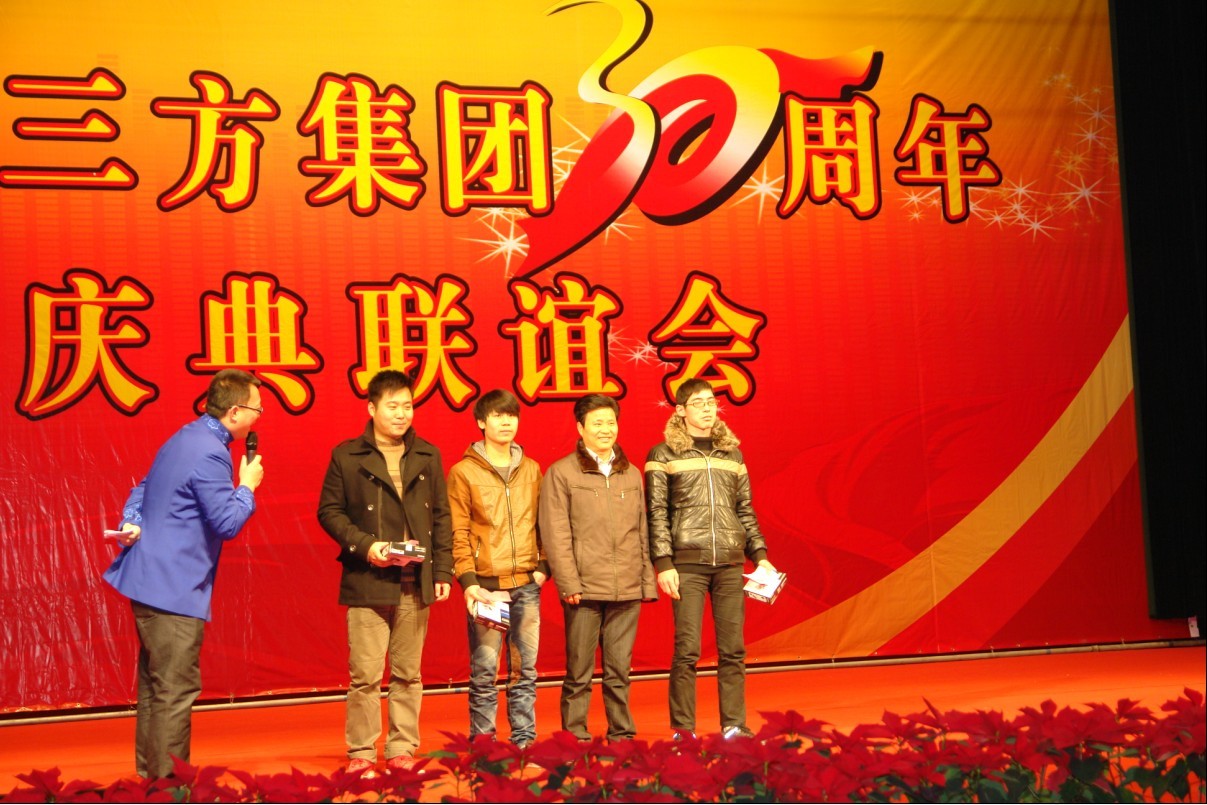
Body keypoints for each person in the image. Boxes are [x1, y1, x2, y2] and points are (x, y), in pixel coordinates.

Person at [103, 369, 266, 779]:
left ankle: (151, 783)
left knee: (156, 690)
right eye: (257, 409)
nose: (258, 416)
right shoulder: (211, 453)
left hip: (147, 581)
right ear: (234, 412)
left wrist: (132, 519)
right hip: (172, 588)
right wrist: (247, 486)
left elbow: (142, 489)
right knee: (175, 691)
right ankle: (170, 788)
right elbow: (227, 522)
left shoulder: (184, 436)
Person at [317, 369, 453, 778]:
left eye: (407, 406)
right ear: (372, 408)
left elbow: (442, 516)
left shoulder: (428, 454)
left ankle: (401, 748)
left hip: (416, 580)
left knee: (409, 674)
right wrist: (365, 545)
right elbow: (329, 512)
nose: (401, 414)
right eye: (392, 406)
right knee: (365, 675)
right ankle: (361, 751)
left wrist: (443, 569)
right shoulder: (347, 455)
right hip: (369, 579)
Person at [644, 378, 775, 740]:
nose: (707, 408)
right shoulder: (663, 454)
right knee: (687, 650)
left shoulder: (732, 455)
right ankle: (683, 729)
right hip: (686, 564)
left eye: (711, 401)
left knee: (733, 649)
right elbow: (656, 512)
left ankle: (734, 724)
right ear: (680, 411)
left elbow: (744, 509)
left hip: (730, 563)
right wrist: (663, 563)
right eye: (698, 402)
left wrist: (760, 556)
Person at [540, 394, 656, 742]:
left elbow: (642, 530)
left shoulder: (631, 474)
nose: (606, 429)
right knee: (579, 670)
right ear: (580, 428)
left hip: (626, 587)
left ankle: (622, 733)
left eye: (611, 422)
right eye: (597, 423)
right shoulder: (561, 472)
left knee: (620, 669)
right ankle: (575, 735)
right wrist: (568, 582)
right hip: (585, 589)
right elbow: (555, 532)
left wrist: (646, 581)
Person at [447, 388, 545, 747]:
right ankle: (483, 744)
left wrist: (543, 566)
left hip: (526, 583)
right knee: (485, 670)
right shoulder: (463, 472)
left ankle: (524, 740)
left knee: (525, 670)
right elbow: (458, 529)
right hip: (486, 586)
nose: (506, 422)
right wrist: (468, 580)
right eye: (498, 416)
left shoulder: (531, 469)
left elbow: (543, 522)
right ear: (481, 422)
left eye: (511, 415)